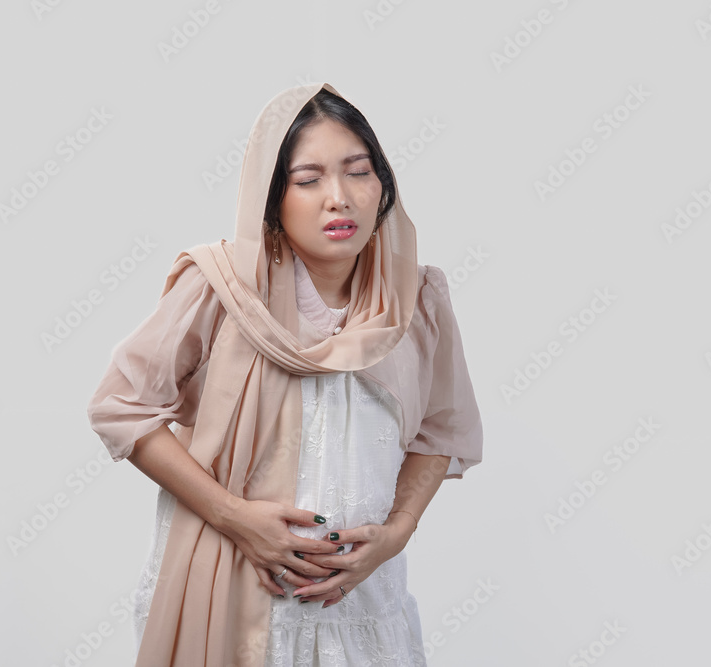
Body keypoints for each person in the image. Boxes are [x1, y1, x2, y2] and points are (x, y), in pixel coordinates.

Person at [86, 82, 483, 667]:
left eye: (359, 172)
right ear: (271, 197)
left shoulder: (415, 300)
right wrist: (236, 518)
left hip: (364, 603)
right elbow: (122, 407)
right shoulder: (223, 288)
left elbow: (440, 432)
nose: (339, 198)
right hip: (232, 593)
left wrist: (396, 532)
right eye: (308, 179)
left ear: (383, 186)